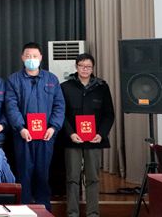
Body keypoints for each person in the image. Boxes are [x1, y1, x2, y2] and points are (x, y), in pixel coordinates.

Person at [5, 42, 65, 210]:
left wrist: (53, 127)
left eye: (35, 56)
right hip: (23, 135)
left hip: (46, 136)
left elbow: (59, 105)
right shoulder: (13, 80)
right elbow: (11, 106)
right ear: (22, 57)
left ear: (41, 58)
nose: (31, 59)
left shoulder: (51, 79)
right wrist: (21, 128)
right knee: (24, 173)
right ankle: (22, 209)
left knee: (43, 173)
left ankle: (43, 209)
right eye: (28, 56)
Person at [61, 53, 114, 217]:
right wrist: (70, 133)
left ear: (93, 68)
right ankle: (72, 213)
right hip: (72, 140)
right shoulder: (65, 87)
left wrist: (101, 134)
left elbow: (109, 114)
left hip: (94, 140)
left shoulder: (102, 87)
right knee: (72, 178)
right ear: (76, 67)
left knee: (93, 178)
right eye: (82, 66)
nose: (85, 69)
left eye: (88, 67)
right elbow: (61, 114)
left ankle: (93, 213)